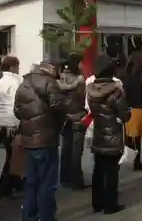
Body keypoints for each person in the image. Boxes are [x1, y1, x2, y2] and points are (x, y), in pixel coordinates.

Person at [14, 62, 66, 221]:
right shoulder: (50, 83)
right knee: (47, 184)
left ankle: (28, 216)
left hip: (29, 141)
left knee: (31, 182)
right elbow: (59, 108)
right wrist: (55, 126)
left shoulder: (23, 85)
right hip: (46, 139)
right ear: (49, 69)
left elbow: (17, 111)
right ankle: (46, 217)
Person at [87, 54, 130, 215]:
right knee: (112, 171)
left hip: (99, 132)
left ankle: (97, 202)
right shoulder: (116, 91)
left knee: (98, 169)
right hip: (113, 134)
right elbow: (124, 114)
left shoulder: (90, 90)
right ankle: (110, 204)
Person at [58, 54, 87, 190]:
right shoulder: (80, 80)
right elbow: (82, 97)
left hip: (65, 116)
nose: (83, 65)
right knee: (76, 150)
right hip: (78, 115)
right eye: (81, 62)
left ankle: (64, 178)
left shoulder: (61, 77)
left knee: (66, 148)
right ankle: (76, 180)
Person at [0, 56, 23, 198]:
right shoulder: (16, 82)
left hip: (1, 122)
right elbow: (18, 103)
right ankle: (7, 186)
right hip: (12, 123)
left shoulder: (1, 81)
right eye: (17, 66)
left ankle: (11, 184)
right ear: (12, 67)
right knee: (12, 156)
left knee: (7, 155)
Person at [124, 51, 142, 171]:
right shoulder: (141, 76)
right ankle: (137, 160)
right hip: (141, 108)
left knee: (132, 137)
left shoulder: (126, 75)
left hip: (130, 108)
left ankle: (133, 159)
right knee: (138, 137)